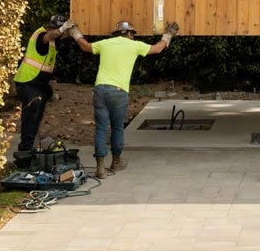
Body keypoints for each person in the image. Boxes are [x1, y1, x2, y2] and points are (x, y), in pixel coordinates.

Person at [67, 18, 179, 178]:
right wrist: (168, 35)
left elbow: (85, 46)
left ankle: (100, 168)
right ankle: (116, 162)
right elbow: (157, 49)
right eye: (132, 34)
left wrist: (74, 32)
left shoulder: (106, 43)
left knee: (100, 128)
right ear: (129, 34)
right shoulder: (134, 45)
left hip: (100, 90)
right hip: (118, 92)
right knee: (117, 128)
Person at [12, 12, 73, 162]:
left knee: (36, 118)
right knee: (30, 118)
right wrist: (63, 28)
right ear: (51, 27)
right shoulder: (42, 36)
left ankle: (30, 150)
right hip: (28, 83)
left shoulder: (52, 39)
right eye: (59, 30)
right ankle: (24, 155)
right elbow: (51, 36)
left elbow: (58, 36)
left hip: (38, 85)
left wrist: (72, 32)